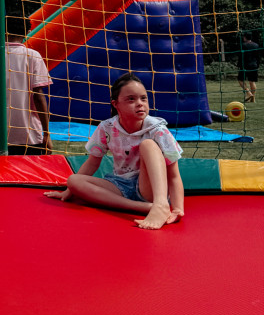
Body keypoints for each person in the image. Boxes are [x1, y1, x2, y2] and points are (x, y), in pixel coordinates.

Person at [44, 72, 185, 230]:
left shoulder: (157, 129)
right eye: (131, 99)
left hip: (149, 188)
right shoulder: (107, 127)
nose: (139, 103)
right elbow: (92, 162)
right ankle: (142, 207)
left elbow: (173, 174)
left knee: (148, 145)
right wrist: (69, 192)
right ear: (115, 104)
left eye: (143, 98)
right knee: (73, 180)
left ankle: (160, 205)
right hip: (120, 185)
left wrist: (178, 208)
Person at [0, 20, 52, 155]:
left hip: (1, 135)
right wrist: (46, 133)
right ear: (27, 32)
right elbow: (38, 95)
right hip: (30, 135)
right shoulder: (33, 56)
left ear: (3, 31)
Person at [238, 35, 260, 103]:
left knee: (240, 80)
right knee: (252, 81)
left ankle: (248, 93)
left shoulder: (243, 45)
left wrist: (239, 65)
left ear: (245, 37)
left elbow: (241, 56)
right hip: (254, 65)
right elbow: (258, 56)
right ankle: (253, 98)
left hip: (245, 65)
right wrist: (257, 65)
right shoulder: (256, 45)